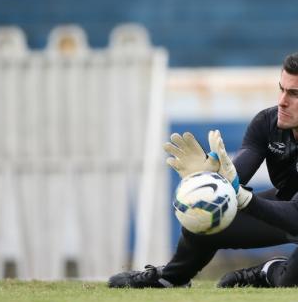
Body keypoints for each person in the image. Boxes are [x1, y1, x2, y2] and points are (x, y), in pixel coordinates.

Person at [108, 52, 298, 289]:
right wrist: (212, 180)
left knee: (290, 281)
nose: (282, 101)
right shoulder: (266, 123)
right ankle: (172, 277)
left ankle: (271, 271)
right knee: (209, 209)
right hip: (288, 205)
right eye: (281, 89)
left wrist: (245, 198)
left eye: (294, 94)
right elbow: (235, 181)